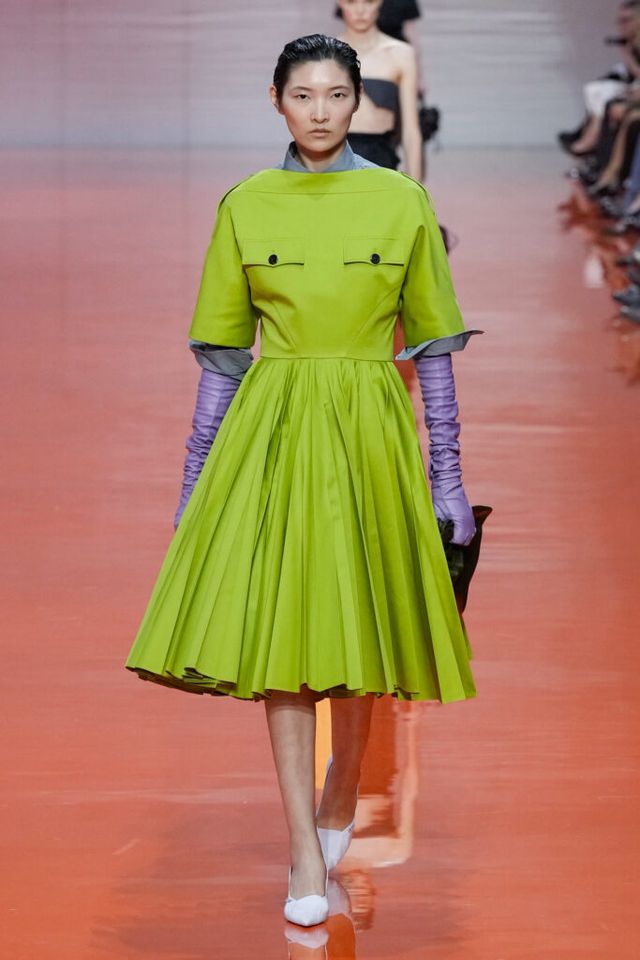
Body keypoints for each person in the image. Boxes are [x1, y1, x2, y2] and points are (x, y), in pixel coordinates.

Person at [125, 34, 480, 928]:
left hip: (370, 428)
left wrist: (447, 476)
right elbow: (222, 355)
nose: (319, 111)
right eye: (302, 95)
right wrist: (195, 480)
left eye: (335, 95)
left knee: (361, 639)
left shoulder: (401, 202)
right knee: (285, 650)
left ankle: (343, 785)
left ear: (358, 102)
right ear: (276, 101)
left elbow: (433, 348)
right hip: (276, 430)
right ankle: (302, 852)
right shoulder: (246, 204)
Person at [334, 0, 423, 178]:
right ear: (340, 2)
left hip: (382, 163)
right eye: (351, 1)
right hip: (333, 163)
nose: (360, 10)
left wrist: (416, 188)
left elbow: (410, 132)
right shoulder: (325, 55)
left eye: (369, 1)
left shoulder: (402, 55)